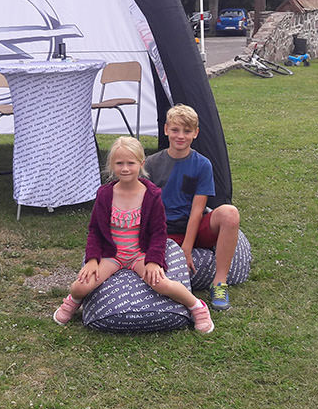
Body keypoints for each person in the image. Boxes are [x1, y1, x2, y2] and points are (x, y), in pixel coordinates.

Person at [52, 136, 215, 333]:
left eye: (131, 163)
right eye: (119, 163)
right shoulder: (105, 194)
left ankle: (196, 306)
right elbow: (94, 230)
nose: (125, 168)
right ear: (112, 165)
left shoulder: (152, 195)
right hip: (113, 254)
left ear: (141, 164)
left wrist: (153, 261)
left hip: (140, 254)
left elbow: (158, 233)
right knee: (80, 286)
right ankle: (73, 301)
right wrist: (92, 260)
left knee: (161, 284)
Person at [146, 104, 242, 311]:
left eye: (187, 131)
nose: (180, 136)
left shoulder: (202, 164)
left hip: (194, 229)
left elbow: (198, 211)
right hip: (164, 230)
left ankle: (219, 284)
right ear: (166, 130)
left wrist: (187, 249)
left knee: (230, 213)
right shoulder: (151, 164)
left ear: (195, 133)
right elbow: (145, 208)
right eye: (175, 130)